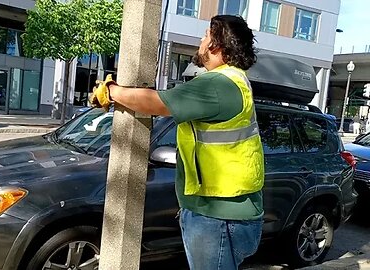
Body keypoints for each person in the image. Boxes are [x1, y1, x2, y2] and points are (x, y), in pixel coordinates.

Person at [91, 15, 264, 270]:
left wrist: (112, 91)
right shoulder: (237, 80)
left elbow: (158, 103)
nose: (201, 41)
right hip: (232, 211)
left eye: (205, 36)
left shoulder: (218, 84)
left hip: (216, 215)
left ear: (216, 45)